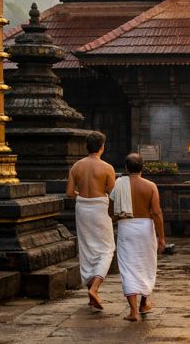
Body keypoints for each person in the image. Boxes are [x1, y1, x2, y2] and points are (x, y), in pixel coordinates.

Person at [110, 153, 166, 322]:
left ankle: (134, 311)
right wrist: (161, 237)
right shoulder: (150, 186)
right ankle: (144, 303)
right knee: (145, 264)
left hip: (126, 227)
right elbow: (156, 212)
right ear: (143, 168)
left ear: (126, 168)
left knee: (128, 267)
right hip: (145, 229)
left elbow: (110, 213)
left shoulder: (118, 185)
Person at [66, 131, 116, 310]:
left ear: (86, 147)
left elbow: (70, 192)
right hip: (99, 208)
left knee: (86, 248)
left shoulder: (76, 166)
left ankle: (91, 294)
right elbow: (113, 193)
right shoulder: (107, 168)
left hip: (82, 208)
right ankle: (94, 289)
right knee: (107, 249)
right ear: (102, 147)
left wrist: (83, 195)